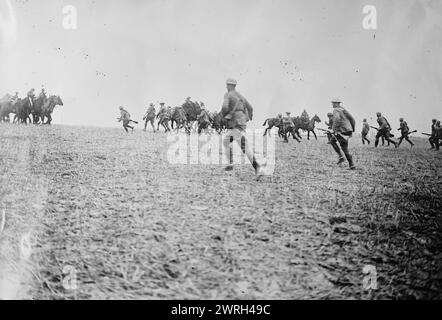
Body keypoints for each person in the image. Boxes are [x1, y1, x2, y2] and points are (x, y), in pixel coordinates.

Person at [220, 78, 268, 175]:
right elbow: (250, 108)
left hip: (235, 123)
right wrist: (248, 118)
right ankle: (230, 163)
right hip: (241, 123)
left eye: (227, 85)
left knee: (244, 147)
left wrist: (224, 115)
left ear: (229, 86)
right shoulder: (240, 95)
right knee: (226, 141)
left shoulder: (228, 94)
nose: (226, 87)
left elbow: (225, 107)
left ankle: (258, 167)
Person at [329, 98, 356, 170]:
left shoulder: (336, 110)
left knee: (343, 147)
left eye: (334, 103)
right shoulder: (344, 109)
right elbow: (353, 119)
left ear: (337, 103)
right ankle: (342, 158)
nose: (332, 104)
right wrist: (352, 129)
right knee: (332, 141)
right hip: (347, 130)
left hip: (341, 131)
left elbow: (337, 119)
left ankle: (350, 163)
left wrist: (334, 130)